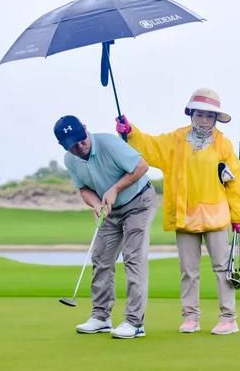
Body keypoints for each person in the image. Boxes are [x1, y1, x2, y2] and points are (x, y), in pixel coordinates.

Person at [115, 88, 240, 335]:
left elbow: (236, 182)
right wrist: (131, 131)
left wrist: (238, 216)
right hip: (184, 214)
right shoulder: (175, 140)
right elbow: (150, 146)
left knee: (222, 269)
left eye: (210, 116)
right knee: (189, 270)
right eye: (200, 114)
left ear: (216, 119)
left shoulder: (224, 145)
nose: (205, 120)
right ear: (191, 114)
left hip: (216, 215)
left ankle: (228, 318)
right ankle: (190, 318)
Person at [54, 115, 157, 339]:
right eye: (72, 146)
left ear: (85, 128)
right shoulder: (70, 160)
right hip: (110, 210)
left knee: (133, 258)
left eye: (81, 140)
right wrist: (96, 203)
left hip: (138, 202)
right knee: (101, 259)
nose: (80, 147)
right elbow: (83, 189)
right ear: (63, 146)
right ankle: (101, 317)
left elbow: (141, 166)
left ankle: (134, 322)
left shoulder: (109, 143)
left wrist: (114, 189)